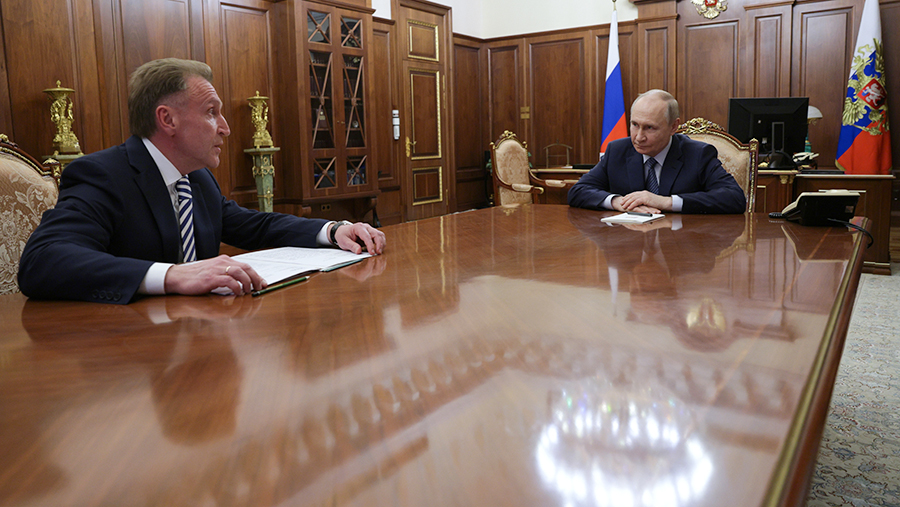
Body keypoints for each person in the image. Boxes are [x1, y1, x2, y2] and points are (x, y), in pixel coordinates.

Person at [18, 58, 385, 304]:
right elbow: (42, 261)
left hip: (200, 339)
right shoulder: (104, 175)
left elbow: (253, 225)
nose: (225, 128)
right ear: (168, 119)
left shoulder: (197, 179)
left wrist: (332, 230)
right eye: (212, 113)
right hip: (127, 360)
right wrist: (173, 276)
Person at [567, 89, 746, 214]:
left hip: (680, 246)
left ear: (673, 127)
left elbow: (734, 198)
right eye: (634, 125)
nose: (639, 137)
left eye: (650, 128)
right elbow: (578, 191)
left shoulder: (698, 154)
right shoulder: (618, 150)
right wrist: (618, 202)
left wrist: (667, 202)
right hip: (628, 245)